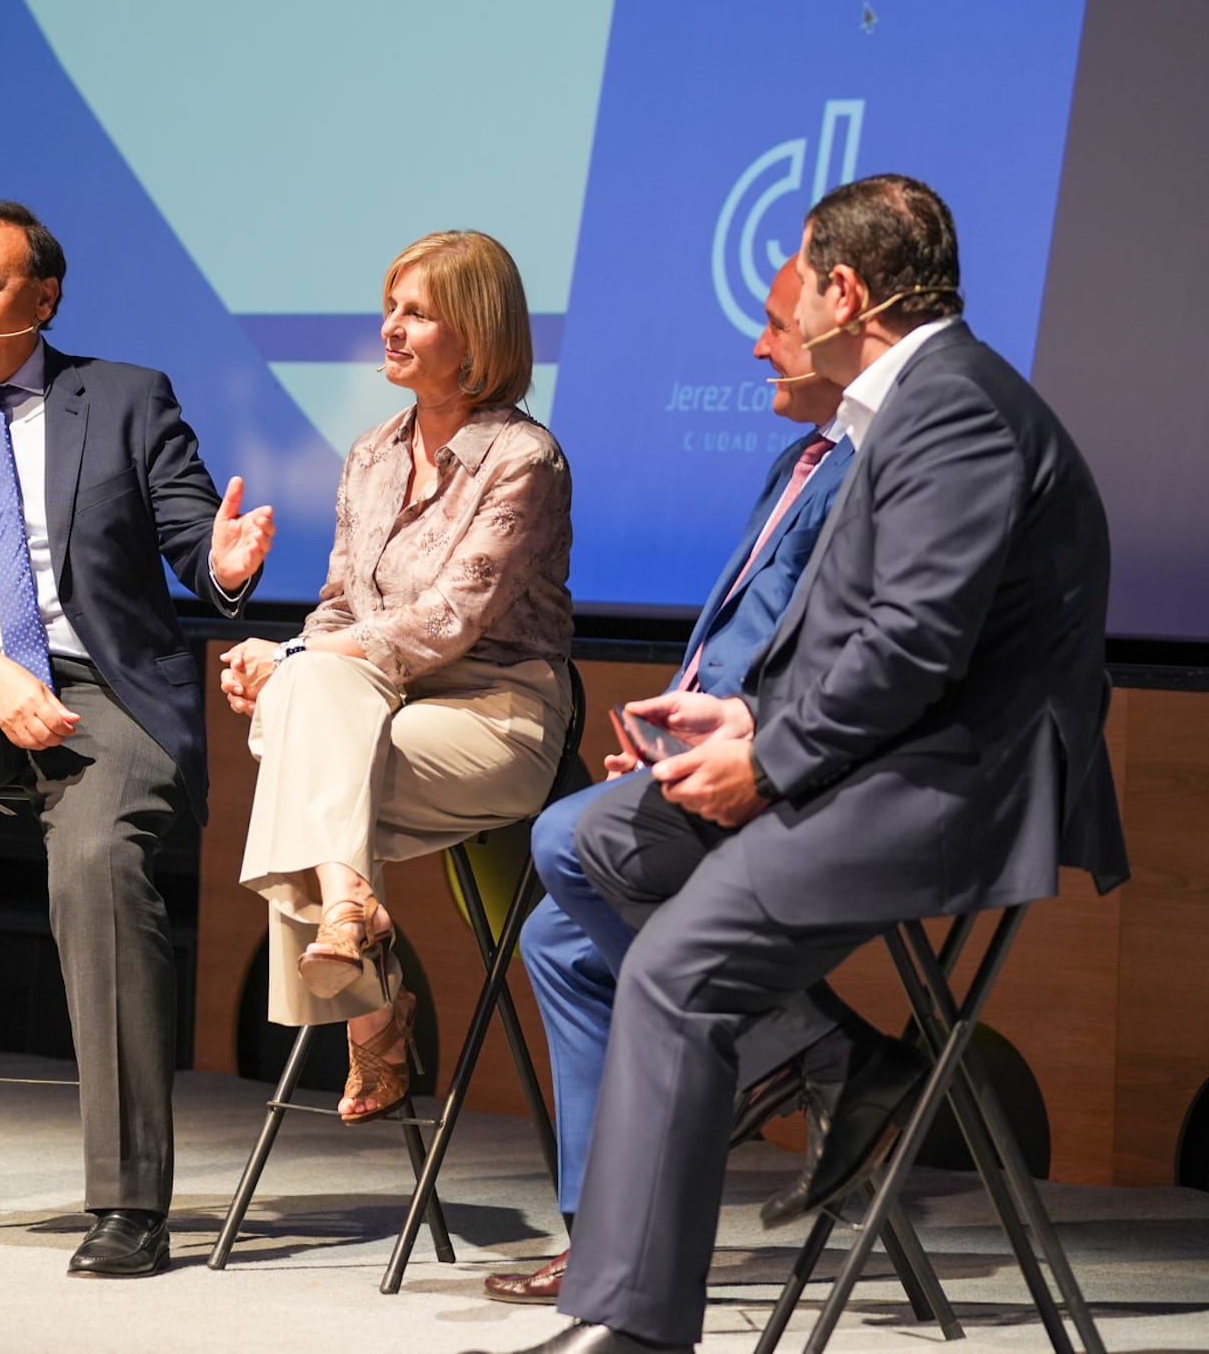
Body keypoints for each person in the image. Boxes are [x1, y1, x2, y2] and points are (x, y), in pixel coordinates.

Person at [520, 174, 1129, 1354]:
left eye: (791, 284)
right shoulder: (903, 410)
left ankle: (631, 1329)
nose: (779, 317)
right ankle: (838, 1059)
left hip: (958, 784)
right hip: (898, 754)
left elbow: (911, 642)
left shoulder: (952, 408)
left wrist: (770, 761)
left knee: (674, 972)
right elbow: (861, 635)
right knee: (604, 835)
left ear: (840, 291)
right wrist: (742, 727)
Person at [0, 200, 274, 1278]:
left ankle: (128, 1204)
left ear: (42, 298)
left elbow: (188, 535)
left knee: (95, 864)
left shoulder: (126, 400)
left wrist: (222, 565)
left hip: (108, 689)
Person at [487, 259, 863, 1305]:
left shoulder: (870, 471)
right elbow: (739, 632)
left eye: (775, 323)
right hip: (707, 745)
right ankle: (600, 1230)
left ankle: (798, 1041)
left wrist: (724, 745)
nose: (754, 345)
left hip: (792, 774)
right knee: (554, 937)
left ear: (843, 321)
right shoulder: (798, 457)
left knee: (566, 840)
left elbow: (825, 654)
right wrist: (664, 732)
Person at [220, 230, 573, 1125]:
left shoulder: (524, 460)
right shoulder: (373, 453)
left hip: (496, 711)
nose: (390, 328)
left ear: (477, 336)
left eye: (416, 313)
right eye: (391, 308)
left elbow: (447, 622)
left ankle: (372, 1014)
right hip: (378, 704)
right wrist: (298, 663)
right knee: (312, 723)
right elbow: (340, 609)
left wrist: (290, 666)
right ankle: (352, 908)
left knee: (306, 764)